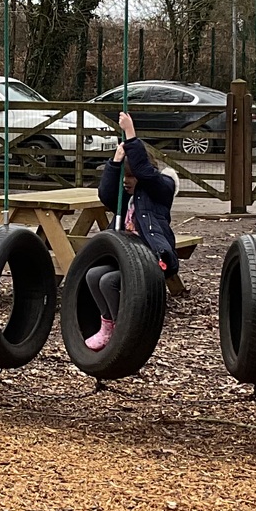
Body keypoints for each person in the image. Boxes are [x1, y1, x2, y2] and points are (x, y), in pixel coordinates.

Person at [85, 111, 178, 352]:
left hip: (151, 260)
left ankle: (125, 328)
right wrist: (115, 162)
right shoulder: (124, 198)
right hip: (125, 258)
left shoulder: (160, 189)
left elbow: (145, 172)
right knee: (93, 275)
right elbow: (106, 194)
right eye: (124, 177)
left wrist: (130, 134)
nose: (126, 181)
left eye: (131, 176)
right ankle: (108, 325)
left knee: (109, 281)